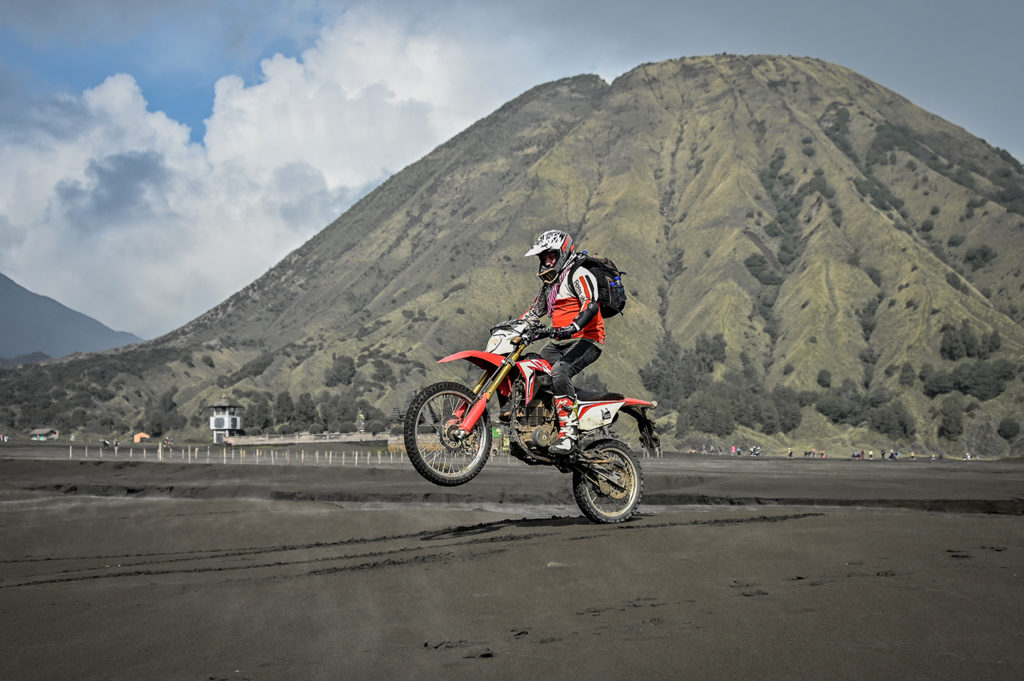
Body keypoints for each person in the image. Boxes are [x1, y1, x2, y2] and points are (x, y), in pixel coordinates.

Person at [521, 229, 605, 455]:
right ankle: (542, 424)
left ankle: (568, 433)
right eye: (543, 257)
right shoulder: (549, 286)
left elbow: (591, 304)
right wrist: (512, 329)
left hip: (587, 338)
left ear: (562, 253)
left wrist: (574, 326)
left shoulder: (579, 274)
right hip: (559, 342)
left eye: (551, 256)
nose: (547, 261)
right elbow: (532, 314)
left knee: (559, 372)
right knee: (532, 368)